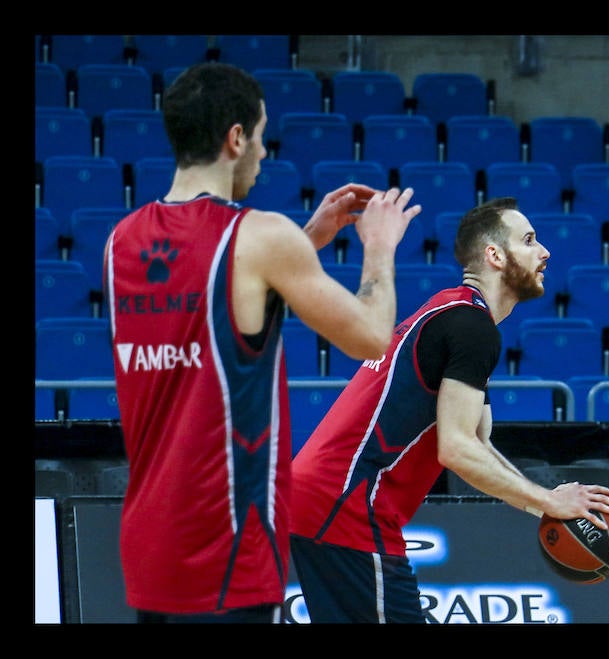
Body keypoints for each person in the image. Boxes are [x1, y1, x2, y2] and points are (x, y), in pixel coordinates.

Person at [102, 61, 420, 623]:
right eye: (262, 136)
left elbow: (221, 293)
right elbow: (372, 338)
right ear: (235, 138)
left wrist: (312, 237)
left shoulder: (121, 242)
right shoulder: (260, 235)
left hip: (149, 546)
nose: (265, 153)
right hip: (227, 547)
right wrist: (379, 245)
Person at [288, 196, 609, 623]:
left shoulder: (456, 314)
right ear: (495, 255)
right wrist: (545, 502)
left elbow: (477, 443)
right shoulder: (471, 327)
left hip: (330, 499)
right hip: (347, 504)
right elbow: (457, 450)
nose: (545, 252)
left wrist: (546, 502)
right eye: (529, 240)